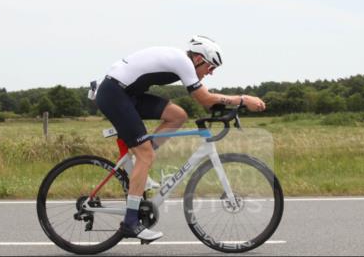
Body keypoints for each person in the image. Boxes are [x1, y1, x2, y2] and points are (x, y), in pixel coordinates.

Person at [94, 36, 266, 242]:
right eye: (211, 67)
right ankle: (130, 223)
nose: (210, 73)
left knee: (178, 116)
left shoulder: (181, 61)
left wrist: (230, 107)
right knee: (146, 155)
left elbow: (208, 103)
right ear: (199, 59)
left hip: (126, 94)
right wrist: (243, 99)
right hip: (114, 94)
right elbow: (204, 98)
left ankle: (139, 165)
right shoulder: (183, 62)